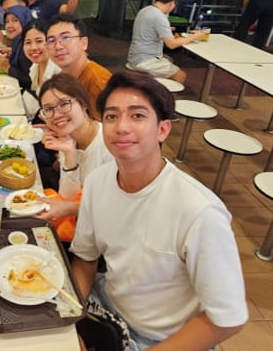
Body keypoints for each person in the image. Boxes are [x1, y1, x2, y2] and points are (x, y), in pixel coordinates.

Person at [70, 71, 247, 349]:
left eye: (138, 116)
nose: (122, 127)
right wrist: (67, 318)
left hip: (160, 339)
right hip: (106, 309)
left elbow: (228, 319)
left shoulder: (200, 211)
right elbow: (85, 259)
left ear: (162, 129)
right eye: (111, 116)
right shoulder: (97, 182)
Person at [33, 73, 113, 242]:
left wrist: (69, 208)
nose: (56, 114)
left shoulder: (110, 147)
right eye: (48, 109)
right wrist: (69, 154)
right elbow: (68, 197)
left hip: (105, 237)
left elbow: (115, 212)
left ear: (83, 103)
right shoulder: (68, 137)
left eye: (64, 104)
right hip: (79, 222)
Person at [127, 0, 204, 84]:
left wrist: (165, 30)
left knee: (169, 60)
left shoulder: (146, 10)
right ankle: (165, 97)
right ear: (172, 3)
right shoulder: (160, 17)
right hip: (145, 60)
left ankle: (158, 86)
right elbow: (172, 45)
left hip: (135, 56)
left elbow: (149, 28)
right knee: (180, 75)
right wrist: (194, 36)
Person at [45, 14, 111, 119]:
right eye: (51, 41)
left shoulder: (98, 81)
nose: (58, 46)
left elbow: (105, 129)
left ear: (84, 43)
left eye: (66, 37)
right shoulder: (64, 75)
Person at [0, 5, 33, 92]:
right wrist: (12, 53)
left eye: (15, 20)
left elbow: (30, 81)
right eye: (7, 21)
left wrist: (8, 68)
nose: (9, 25)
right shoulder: (19, 41)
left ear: (25, 21)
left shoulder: (27, 45)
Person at [21, 19, 60, 93]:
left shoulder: (58, 72)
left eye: (39, 41)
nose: (33, 47)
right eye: (28, 42)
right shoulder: (35, 66)